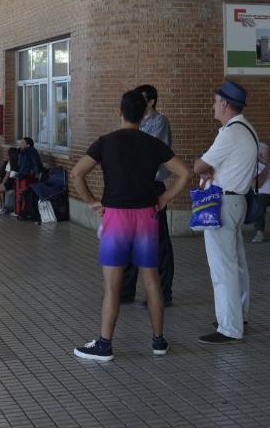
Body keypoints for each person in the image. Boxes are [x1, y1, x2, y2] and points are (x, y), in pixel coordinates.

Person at [70, 89, 190, 362]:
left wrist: (92, 201)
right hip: (147, 216)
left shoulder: (105, 142)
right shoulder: (152, 143)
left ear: (120, 112)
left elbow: (77, 173)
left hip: (116, 217)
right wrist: (163, 198)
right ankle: (159, 341)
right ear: (143, 113)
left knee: (113, 285)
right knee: (152, 281)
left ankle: (104, 345)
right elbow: (184, 173)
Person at [194, 80, 259, 345]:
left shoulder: (230, 132)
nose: (212, 106)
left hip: (223, 204)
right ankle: (238, 316)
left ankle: (229, 328)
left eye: (214, 101)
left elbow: (200, 165)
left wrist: (205, 166)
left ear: (224, 103)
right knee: (237, 266)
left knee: (223, 268)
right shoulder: (248, 129)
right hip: (236, 201)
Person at [121, 84, 175, 307]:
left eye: (142, 100)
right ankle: (125, 290)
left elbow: (146, 152)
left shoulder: (159, 122)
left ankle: (162, 293)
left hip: (152, 186)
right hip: (134, 186)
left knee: (158, 240)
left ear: (151, 101)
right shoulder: (137, 123)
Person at [0, 147, 21, 216]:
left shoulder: (11, 162)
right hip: (17, 182)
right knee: (0, 190)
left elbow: (7, 175)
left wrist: (3, 183)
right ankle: (2, 207)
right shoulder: (19, 160)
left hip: (11, 182)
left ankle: (0, 208)